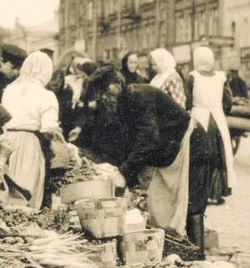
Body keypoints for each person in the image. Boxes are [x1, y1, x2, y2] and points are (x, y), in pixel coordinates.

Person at [84, 67, 210, 255]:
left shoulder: (139, 97)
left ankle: (197, 255)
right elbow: (129, 141)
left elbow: (147, 138)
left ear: (115, 86)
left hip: (193, 144)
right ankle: (180, 250)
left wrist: (125, 173)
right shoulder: (123, 103)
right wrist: (122, 170)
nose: (103, 100)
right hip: (173, 149)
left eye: (104, 94)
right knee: (165, 203)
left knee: (192, 203)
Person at [1, 51, 60, 210]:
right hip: (29, 144)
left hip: (6, 142)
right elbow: (48, 127)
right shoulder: (46, 95)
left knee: (8, 187)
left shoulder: (9, 90)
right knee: (27, 188)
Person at [186, 47, 236, 205]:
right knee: (219, 155)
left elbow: (187, 100)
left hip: (199, 118)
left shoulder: (192, 77)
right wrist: (220, 109)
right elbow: (228, 101)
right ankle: (217, 192)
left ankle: (200, 191)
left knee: (199, 156)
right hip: (217, 119)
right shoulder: (221, 77)